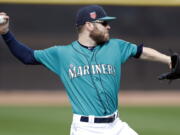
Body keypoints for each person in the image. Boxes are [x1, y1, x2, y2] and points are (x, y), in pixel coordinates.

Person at [0, 5, 171, 135]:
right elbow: (27, 56)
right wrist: (6, 33)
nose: (108, 26)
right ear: (89, 25)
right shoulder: (62, 54)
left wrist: (169, 60)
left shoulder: (116, 46)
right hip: (86, 128)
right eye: (104, 23)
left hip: (116, 125)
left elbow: (141, 51)